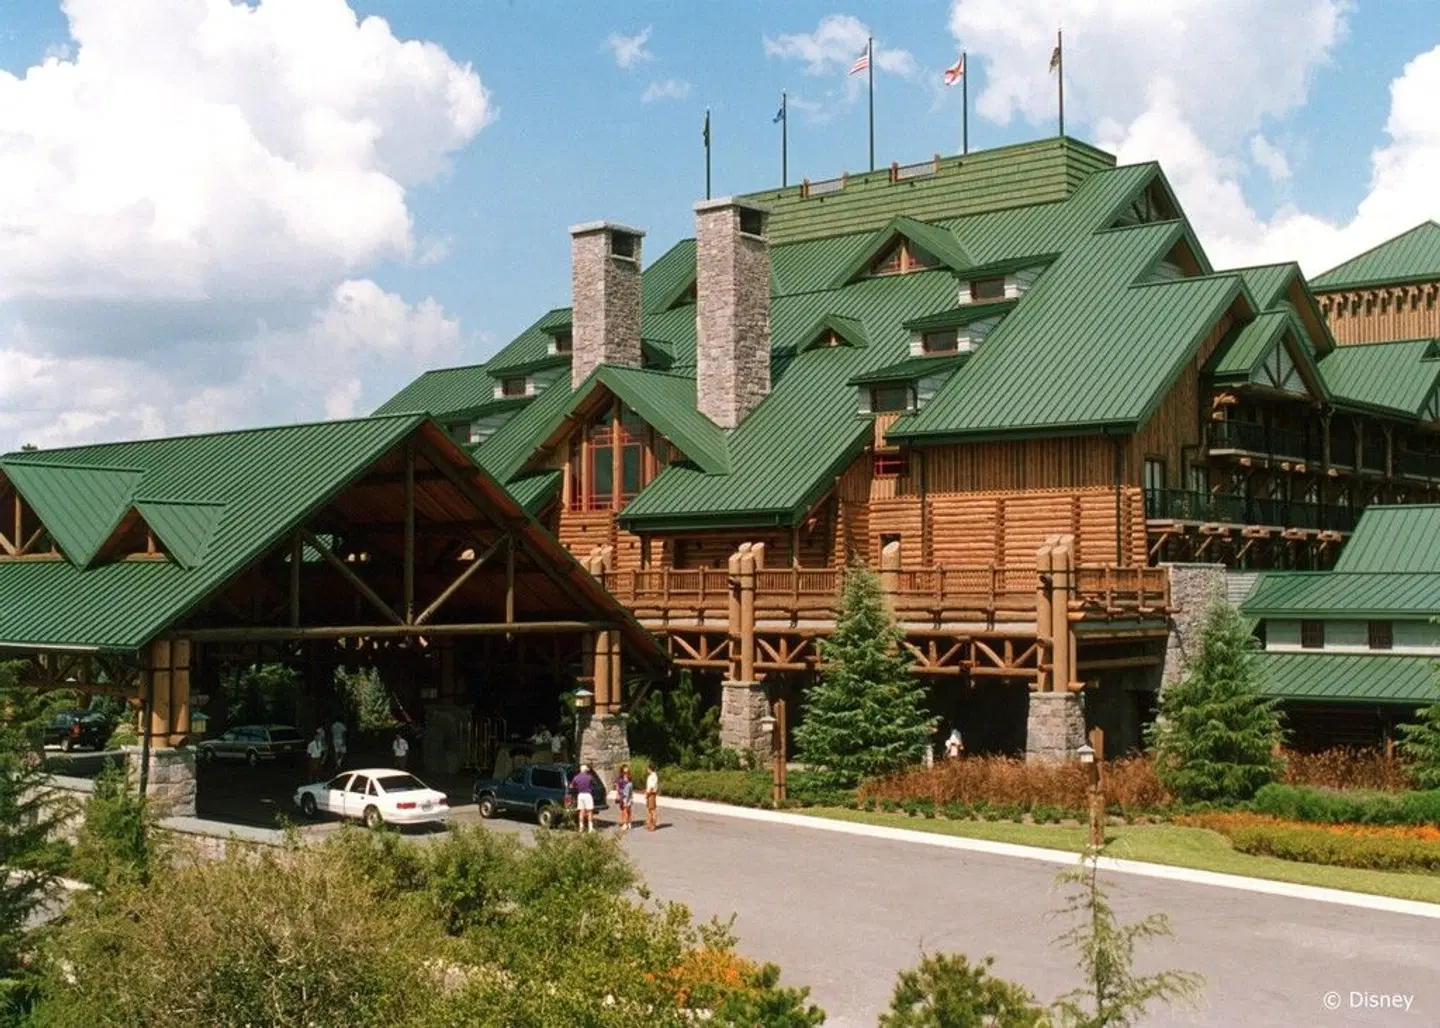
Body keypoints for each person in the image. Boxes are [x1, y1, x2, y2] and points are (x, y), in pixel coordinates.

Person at [571, 763, 597, 833]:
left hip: (580, 795)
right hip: (588, 794)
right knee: (590, 811)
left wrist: (577, 787)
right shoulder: (589, 777)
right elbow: (594, 783)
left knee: (581, 811)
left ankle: (581, 827)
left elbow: (572, 786)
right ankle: (590, 828)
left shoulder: (576, 777)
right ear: (586, 770)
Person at [614, 764, 634, 833]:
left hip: (627, 795)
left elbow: (631, 786)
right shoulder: (619, 777)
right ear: (622, 771)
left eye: (627, 771)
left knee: (628, 809)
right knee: (622, 809)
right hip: (621, 794)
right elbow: (617, 785)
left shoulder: (629, 777)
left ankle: (628, 823)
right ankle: (624, 822)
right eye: (625, 771)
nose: (626, 773)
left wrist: (630, 796)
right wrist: (617, 794)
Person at [644, 765, 659, 832]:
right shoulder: (650, 776)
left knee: (652, 810)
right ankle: (649, 824)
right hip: (649, 793)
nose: (647, 770)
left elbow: (652, 787)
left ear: (650, 769)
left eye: (647, 769)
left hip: (651, 794)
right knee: (649, 810)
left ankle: (653, 825)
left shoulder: (653, 776)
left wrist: (648, 793)